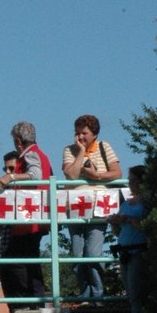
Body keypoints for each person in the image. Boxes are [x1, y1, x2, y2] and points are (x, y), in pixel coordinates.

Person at [61, 114, 121, 302]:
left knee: (93, 253)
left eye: (84, 133)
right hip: (75, 208)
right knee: (78, 256)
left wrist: (96, 176)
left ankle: (98, 294)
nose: (80, 137)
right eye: (77, 133)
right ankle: (84, 295)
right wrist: (81, 152)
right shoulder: (69, 150)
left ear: (94, 133)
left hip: (98, 208)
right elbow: (70, 174)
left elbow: (117, 172)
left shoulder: (105, 147)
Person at [0, 121, 53, 305]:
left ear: (18, 141)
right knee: (28, 263)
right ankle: (35, 302)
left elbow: (35, 175)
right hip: (32, 218)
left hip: (29, 220)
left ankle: (30, 303)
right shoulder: (40, 155)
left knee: (17, 262)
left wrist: (11, 177)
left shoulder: (31, 154)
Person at [109, 165, 147, 313]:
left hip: (138, 252)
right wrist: (116, 222)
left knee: (136, 297)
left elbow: (149, 226)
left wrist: (127, 220)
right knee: (131, 296)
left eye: (133, 180)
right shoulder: (126, 203)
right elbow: (119, 231)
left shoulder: (147, 202)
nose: (130, 184)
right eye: (129, 180)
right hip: (124, 251)